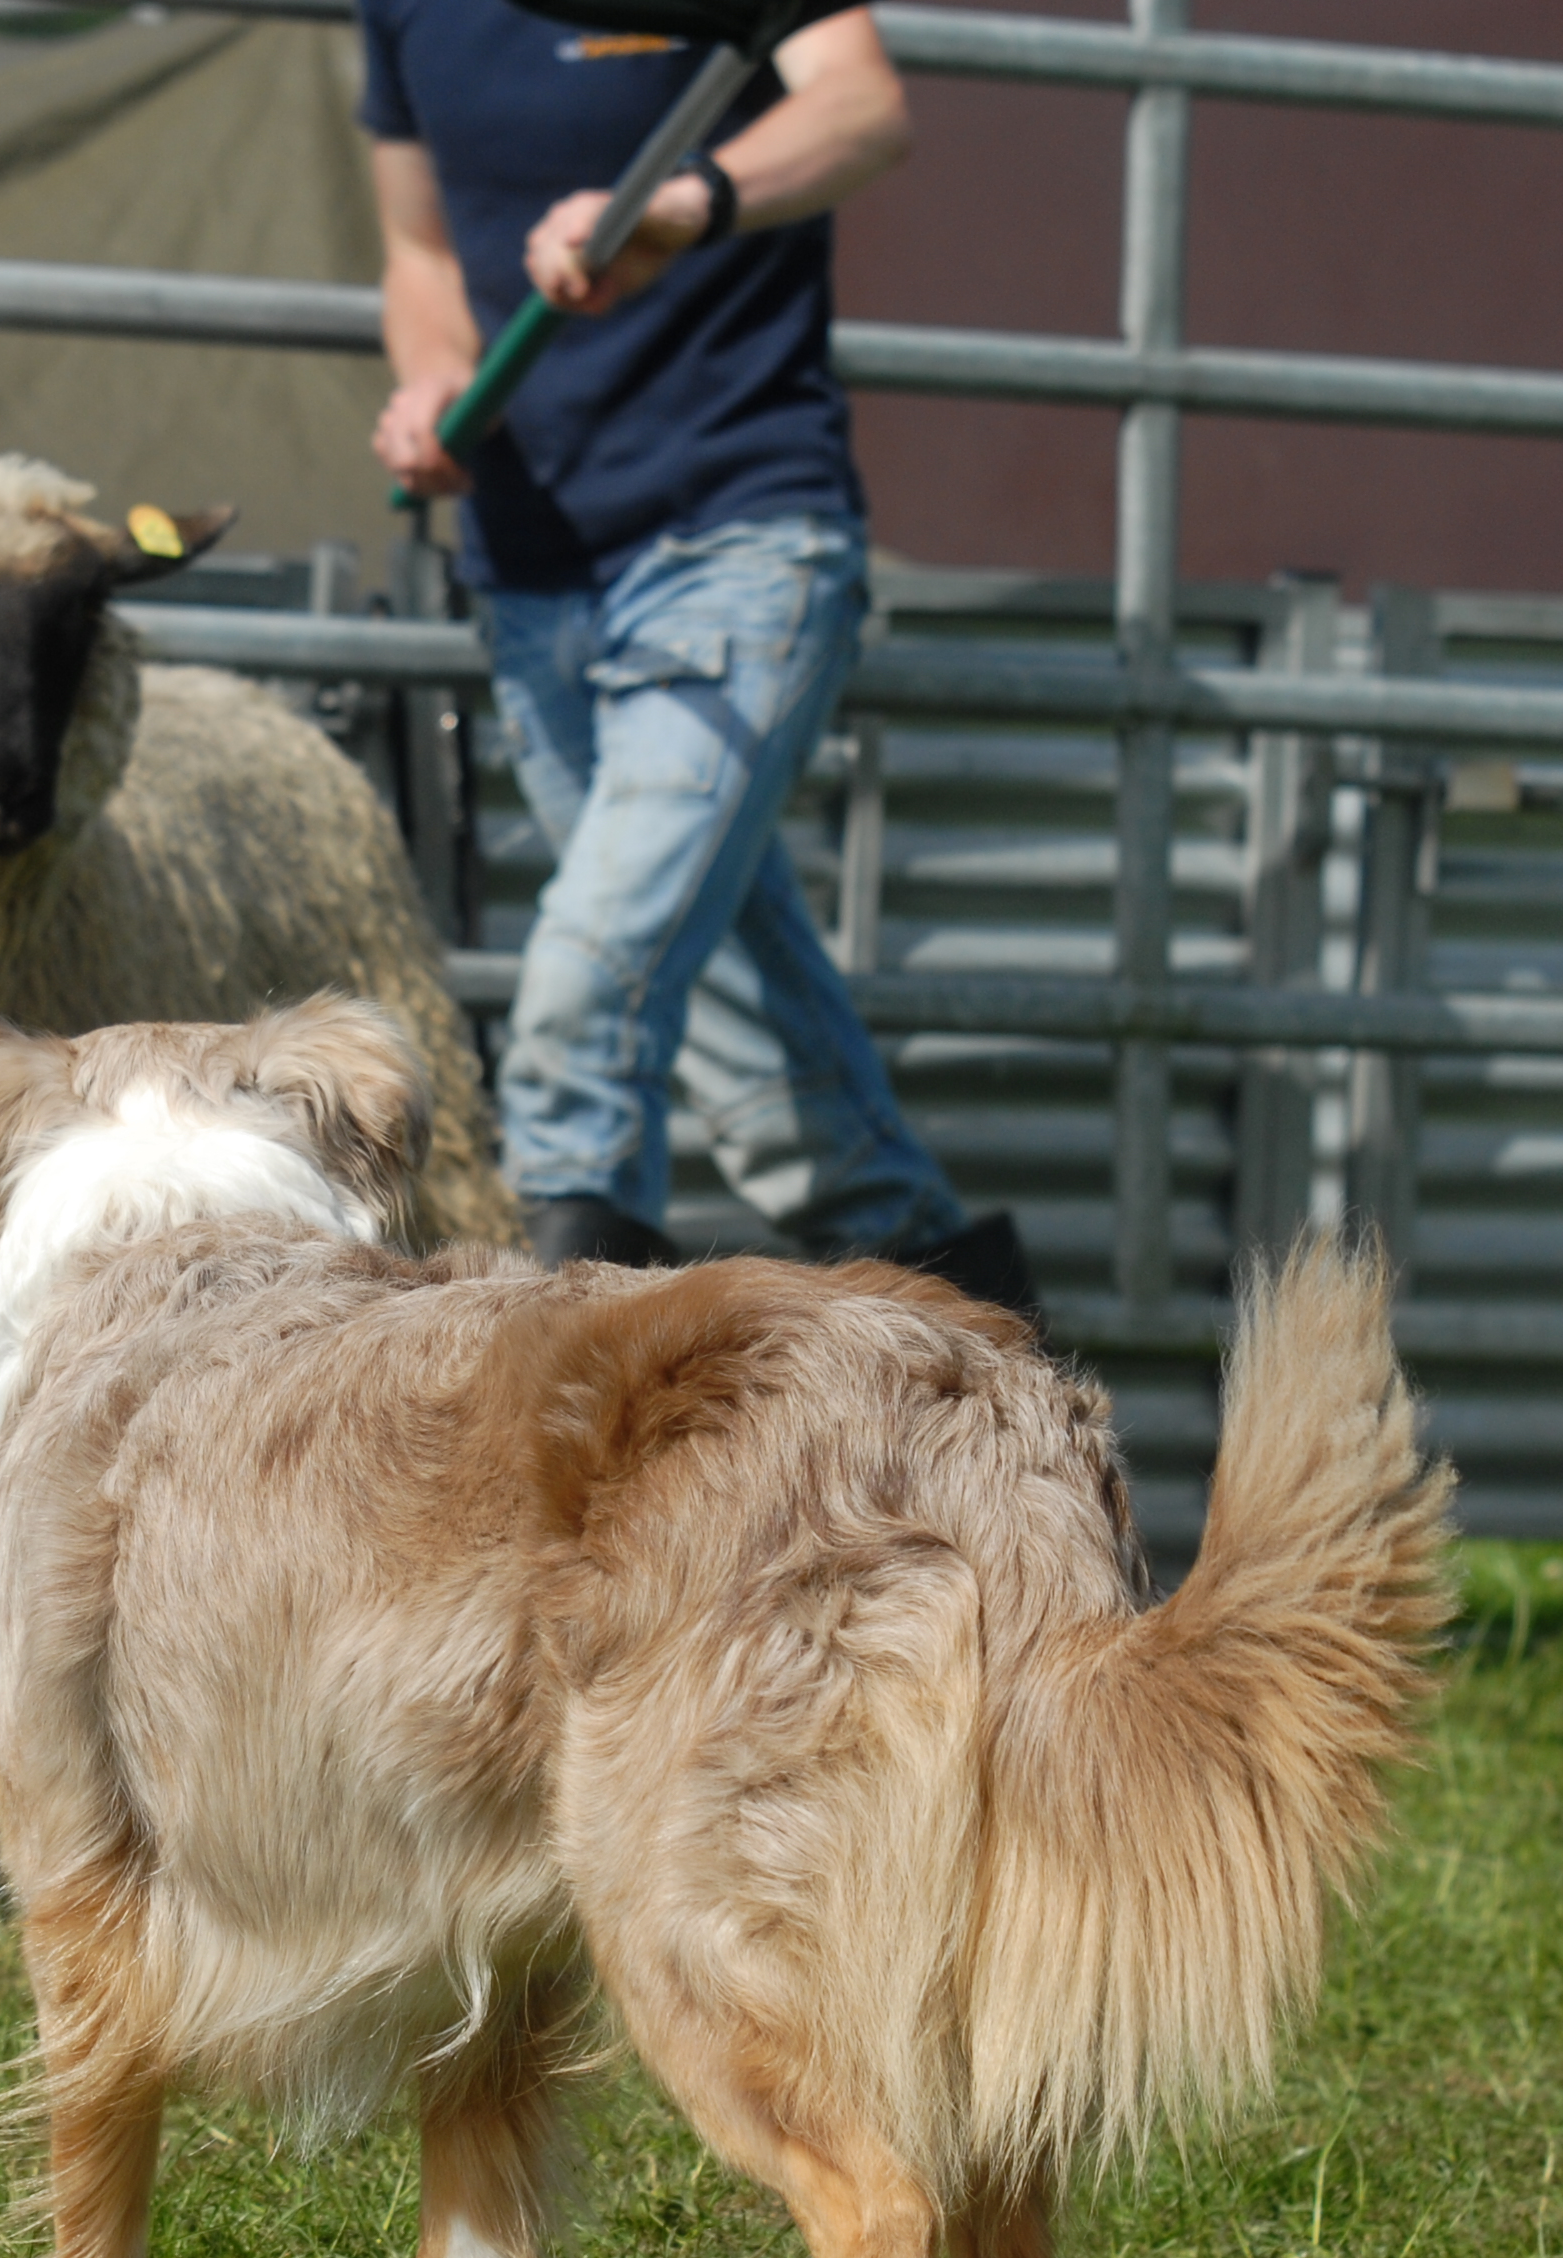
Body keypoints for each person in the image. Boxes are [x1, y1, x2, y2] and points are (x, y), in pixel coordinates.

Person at [361, 0, 1034, 1316]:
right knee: (751, 1047)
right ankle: (980, 1350)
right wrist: (436, 380)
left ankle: (555, 1440)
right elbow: (419, 246)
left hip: (738, 534)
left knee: (580, 1004)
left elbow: (859, 104)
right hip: (533, 568)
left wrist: (689, 201)